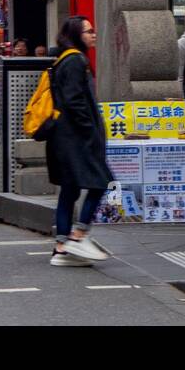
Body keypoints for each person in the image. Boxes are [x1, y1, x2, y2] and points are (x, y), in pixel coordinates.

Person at [46, 16, 111, 266]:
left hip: (64, 137)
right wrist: (90, 131)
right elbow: (74, 101)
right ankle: (78, 234)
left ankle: (61, 248)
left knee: (70, 189)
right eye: (89, 31)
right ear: (76, 35)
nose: (94, 34)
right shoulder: (75, 60)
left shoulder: (64, 59)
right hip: (76, 138)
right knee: (100, 182)